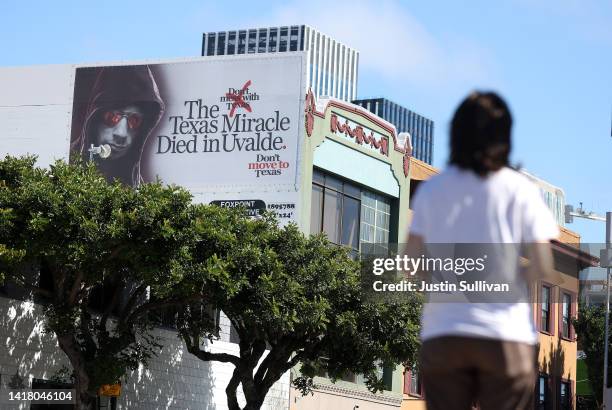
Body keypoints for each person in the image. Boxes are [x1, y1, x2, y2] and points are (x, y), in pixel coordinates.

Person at [406, 91, 559, 410]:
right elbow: (544, 264)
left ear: (455, 134)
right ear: (505, 136)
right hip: (505, 334)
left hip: (444, 333)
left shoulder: (433, 190)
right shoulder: (520, 190)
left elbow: (410, 262)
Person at [70, 65, 165, 186]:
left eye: (134, 120)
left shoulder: (140, 193)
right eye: (112, 117)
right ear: (94, 118)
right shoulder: (65, 169)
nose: (122, 133)